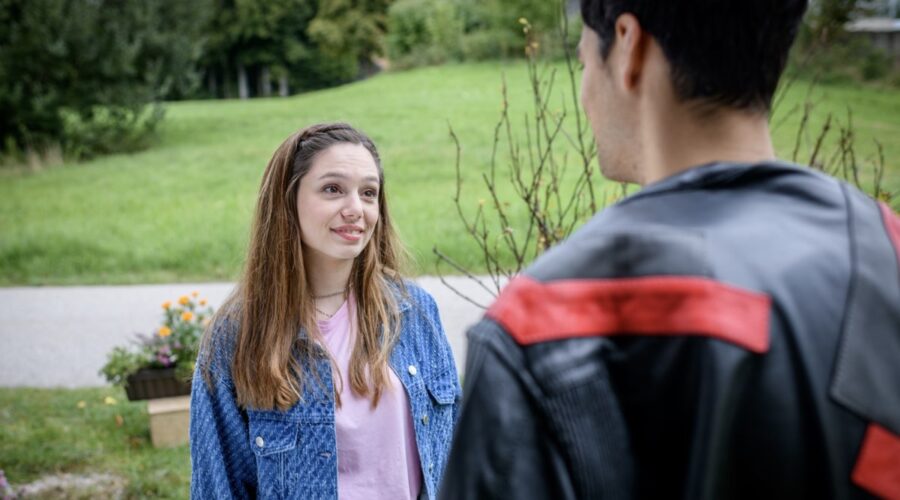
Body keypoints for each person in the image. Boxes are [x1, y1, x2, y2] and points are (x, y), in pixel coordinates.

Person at [440, 1, 900, 499]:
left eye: (583, 63)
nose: (585, 90)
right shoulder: (886, 252)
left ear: (628, 46)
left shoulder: (544, 321)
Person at [190, 122, 461, 500]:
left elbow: (455, 458)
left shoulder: (413, 311)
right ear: (288, 200)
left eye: (368, 193)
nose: (355, 209)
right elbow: (217, 487)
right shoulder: (238, 334)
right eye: (333, 189)